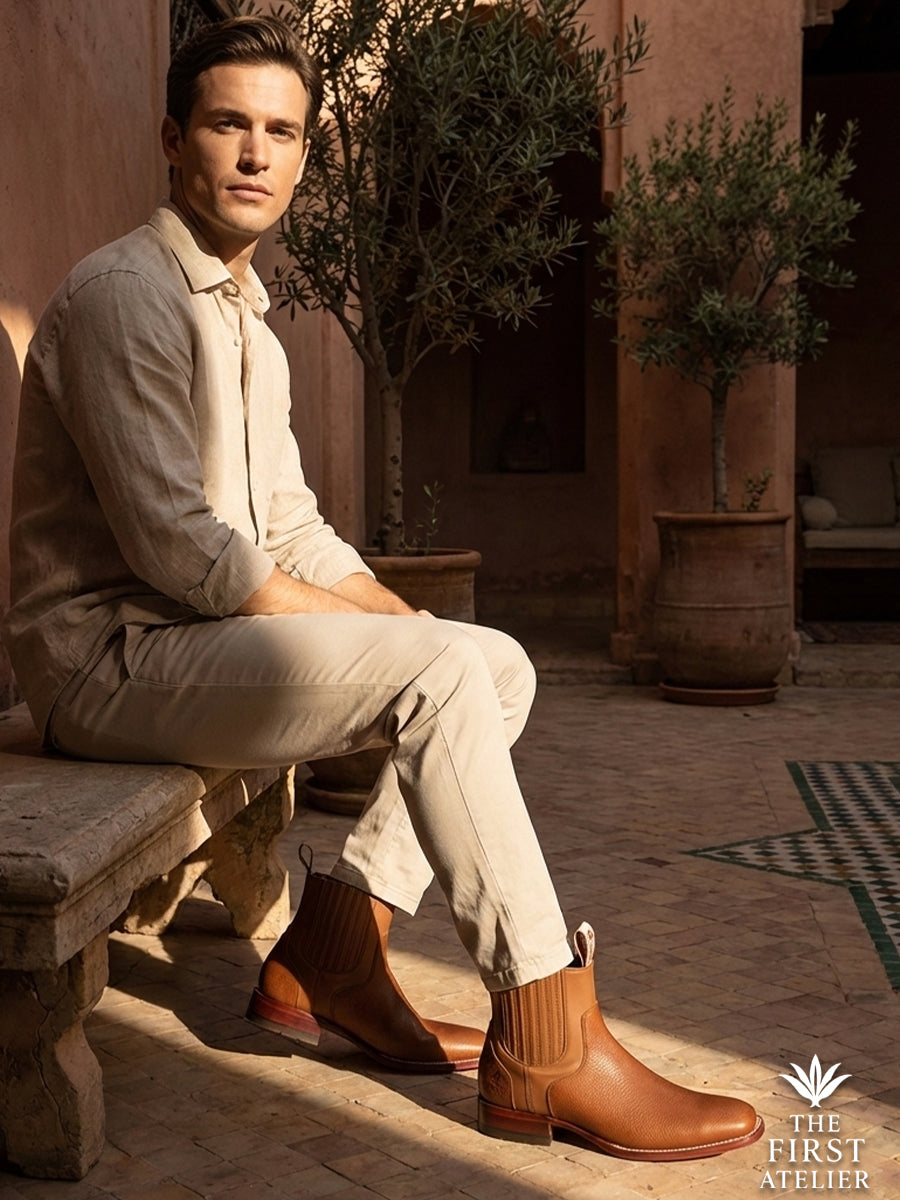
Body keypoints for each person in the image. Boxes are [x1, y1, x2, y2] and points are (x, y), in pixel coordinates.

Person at [2, 15, 763, 1162]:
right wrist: (405, 646)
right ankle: (547, 1033)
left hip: (193, 647)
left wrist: (404, 624)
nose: (257, 155)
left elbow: (291, 526)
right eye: (228, 125)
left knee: (488, 660)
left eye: (282, 132)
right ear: (173, 138)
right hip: (107, 660)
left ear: (306, 156)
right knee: (446, 668)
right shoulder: (123, 296)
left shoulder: (250, 321)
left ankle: (337, 951)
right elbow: (184, 557)